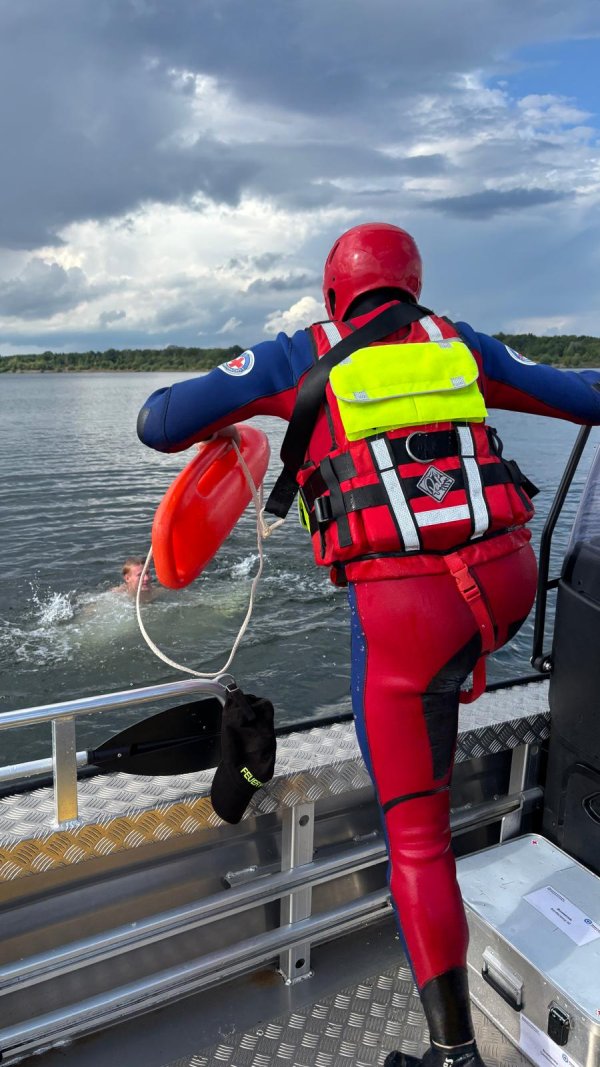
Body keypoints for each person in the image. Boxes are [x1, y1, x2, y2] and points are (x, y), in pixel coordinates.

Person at [136, 222, 600, 1067]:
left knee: (415, 838)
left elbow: (156, 420)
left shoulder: (299, 354)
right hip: (505, 583)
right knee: (422, 683)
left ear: (333, 294)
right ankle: (426, 723)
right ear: (412, 287)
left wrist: (238, 422)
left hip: (413, 613)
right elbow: (586, 393)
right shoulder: (460, 343)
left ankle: (451, 1052)